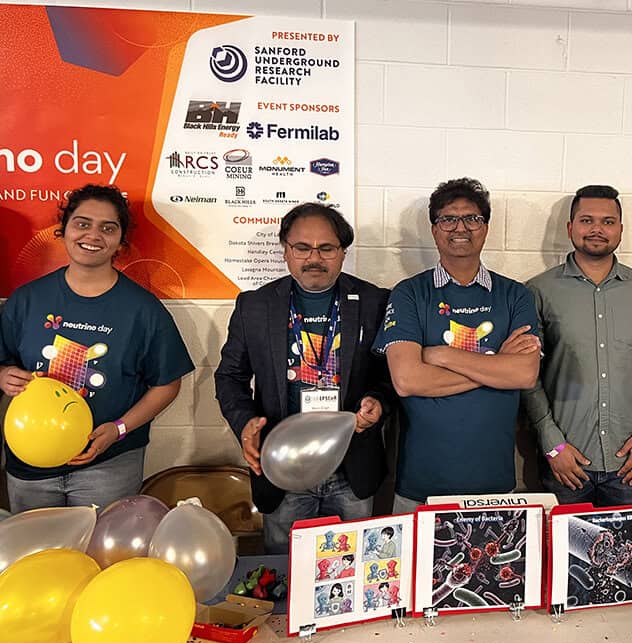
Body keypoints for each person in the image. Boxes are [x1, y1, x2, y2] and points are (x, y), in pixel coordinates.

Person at [216, 203, 396, 553]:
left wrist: (378, 402)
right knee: (284, 568)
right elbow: (230, 377)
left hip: (351, 468)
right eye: (302, 247)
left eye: (326, 248)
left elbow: (390, 375)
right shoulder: (254, 306)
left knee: (353, 564)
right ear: (285, 250)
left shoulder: (375, 302)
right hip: (283, 467)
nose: (314, 258)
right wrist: (245, 422)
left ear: (342, 253)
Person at [0, 184, 193, 511]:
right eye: (82, 223)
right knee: (35, 544)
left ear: (121, 240)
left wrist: (118, 429)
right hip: (31, 463)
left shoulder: (143, 310)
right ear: (64, 230)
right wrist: (4, 375)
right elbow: (3, 362)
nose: (93, 235)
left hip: (109, 464)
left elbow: (167, 384)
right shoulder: (27, 300)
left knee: (102, 544)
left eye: (108, 228)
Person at [374, 178, 541, 512]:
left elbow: (524, 374)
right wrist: (497, 365)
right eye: (448, 219)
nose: (460, 227)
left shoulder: (515, 295)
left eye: (472, 218)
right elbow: (407, 380)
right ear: (435, 230)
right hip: (420, 485)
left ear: (486, 228)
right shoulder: (409, 293)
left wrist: (441, 355)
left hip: (495, 485)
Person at [523, 185, 632, 506]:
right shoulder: (538, 291)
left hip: (630, 462)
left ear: (620, 229)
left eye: (608, 222)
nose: (597, 229)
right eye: (587, 220)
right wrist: (551, 442)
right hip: (565, 463)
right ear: (570, 227)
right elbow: (528, 376)